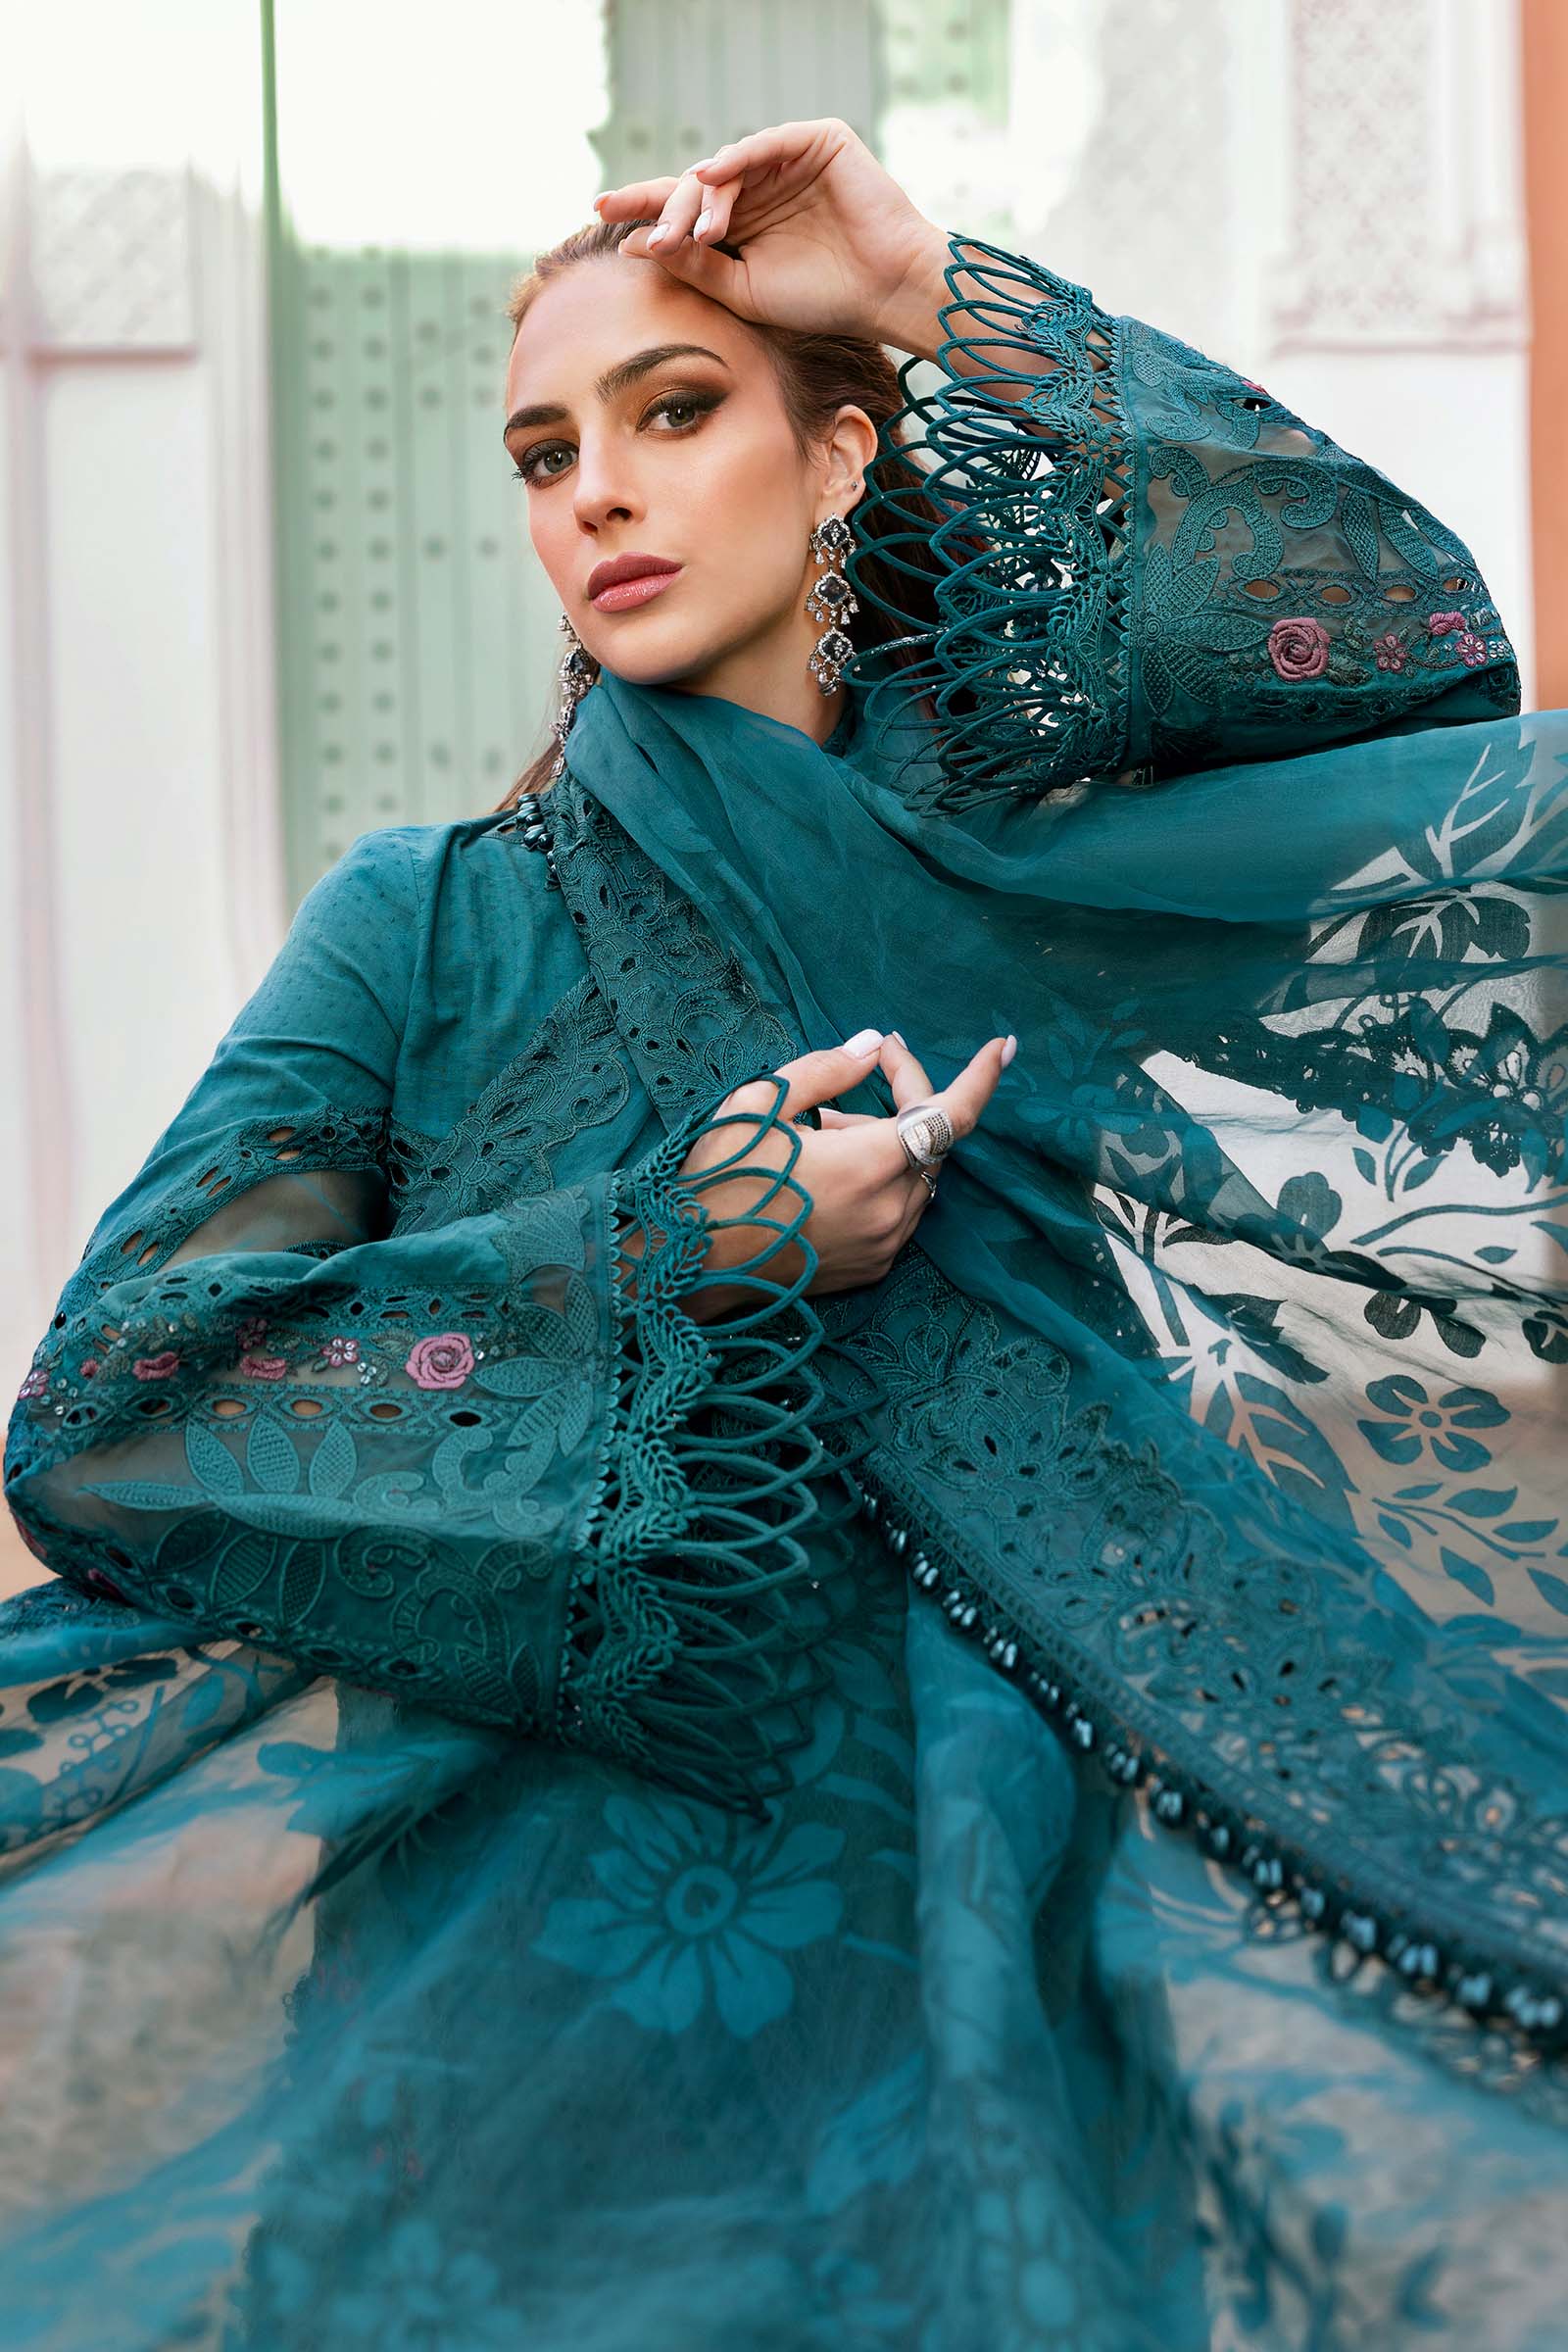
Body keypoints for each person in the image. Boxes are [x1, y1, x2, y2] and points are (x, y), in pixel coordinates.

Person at [3, 116, 1566, 2350]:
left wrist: (923, 284)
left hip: (981, 1913)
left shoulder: (1033, 859)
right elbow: (114, 1405)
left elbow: (1399, 648)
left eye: (670, 412)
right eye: (545, 453)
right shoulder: (422, 925)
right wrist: (691, 1251)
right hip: (527, 1978)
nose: (597, 495)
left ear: (835, 459)